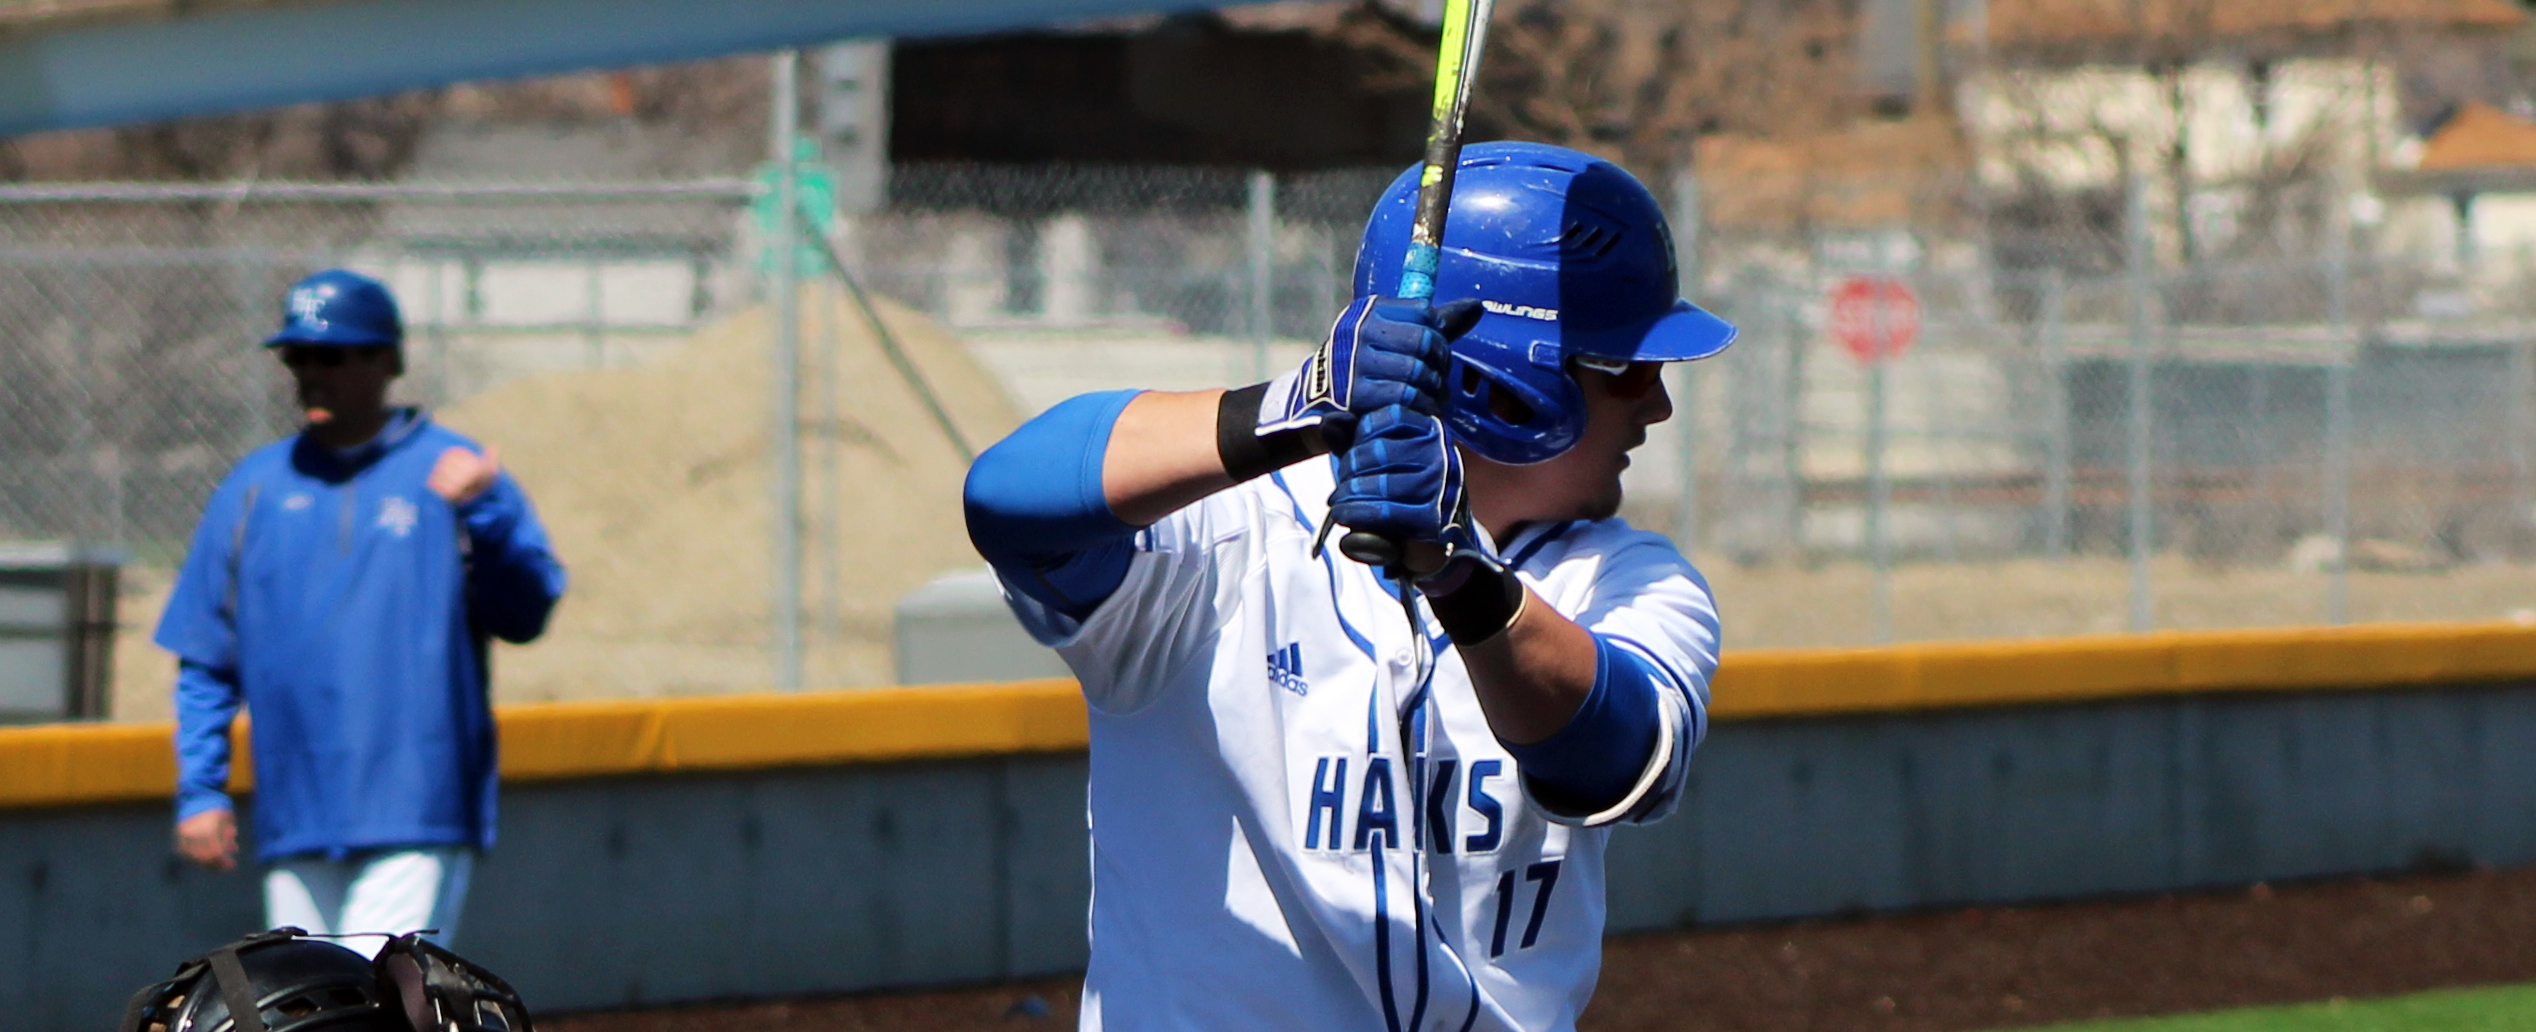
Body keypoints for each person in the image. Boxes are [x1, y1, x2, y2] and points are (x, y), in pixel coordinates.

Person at [963, 141, 1733, 1032]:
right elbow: (1007, 499)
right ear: (1516, 377)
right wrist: (1298, 402)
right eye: (1629, 370)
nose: (1657, 405)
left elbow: (1612, 762)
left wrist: (1459, 576)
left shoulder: (1628, 578)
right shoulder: (1231, 535)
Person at [157, 268, 566, 957]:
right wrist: (201, 789)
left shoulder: (455, 473)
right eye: (300, 358)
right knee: (310, 1011)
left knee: (373, 1005)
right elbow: (206, 660)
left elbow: (525, 614)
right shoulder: (251, 489)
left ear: (387, 361)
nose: (312, 373)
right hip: (296, 810)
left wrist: (486, 513)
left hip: (417, 804)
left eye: (334, 355)